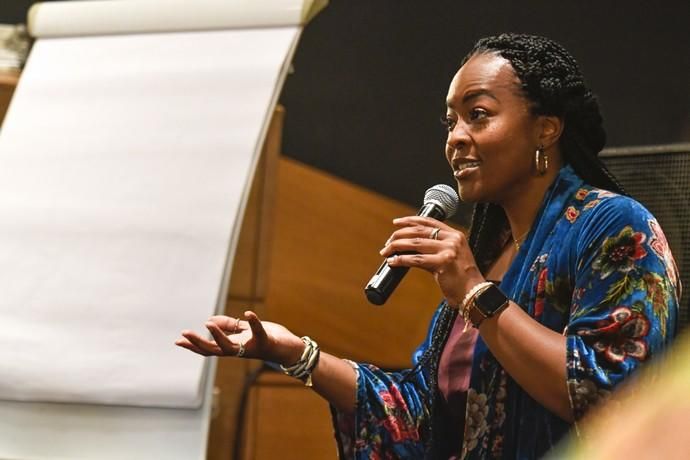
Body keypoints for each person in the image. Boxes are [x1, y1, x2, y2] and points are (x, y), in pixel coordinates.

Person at [175, 33, 681, 459]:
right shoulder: (487, 253)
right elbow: (420, 414)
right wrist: (298, 355)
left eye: (478, 114)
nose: (456, 138)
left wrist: (475, 293)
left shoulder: (614, 227)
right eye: (451, 121)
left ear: (546, 128)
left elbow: (616, 396)